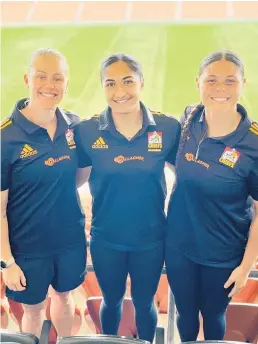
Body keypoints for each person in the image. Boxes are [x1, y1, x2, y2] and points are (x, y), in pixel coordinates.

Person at [75, 53, 181, 342]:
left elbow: (186, 175)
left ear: (141, 82)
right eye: (110, 84)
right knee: (111, 300)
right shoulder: (86, 131)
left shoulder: (167, 128)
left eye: (127, 81)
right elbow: (75, 181)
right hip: (106, 239)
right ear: (102, 87)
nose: (119, 92)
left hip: (150, 239)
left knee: (145, 302)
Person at [165, 50, 258, 341]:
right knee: (185, 314)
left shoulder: (253, 143)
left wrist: (245, 267)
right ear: (198, 82)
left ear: (243, 84)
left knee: (214, 315)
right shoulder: (189, 118)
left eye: (230, 81)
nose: (220, 88)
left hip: (223, 255)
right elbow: (174, 162)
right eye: (212, 80)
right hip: (180, 246)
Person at [1, 48, 87, 337]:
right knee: (34, 309)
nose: (49, 85)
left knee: (65, 298)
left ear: (66, 83)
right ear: (27, 79)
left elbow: (77, 177)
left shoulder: (74, 126)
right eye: (41, 77)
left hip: (69, 239)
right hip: (27, 245)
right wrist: (7, 262)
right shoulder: (5, 138)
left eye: (57, 78)